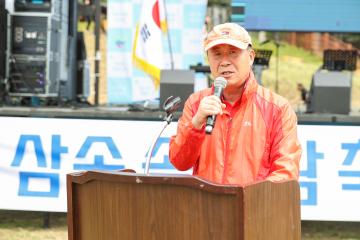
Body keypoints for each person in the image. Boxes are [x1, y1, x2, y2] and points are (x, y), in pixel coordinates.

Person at [169, 23, 301, 185]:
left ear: (251, 57)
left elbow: (286, 172)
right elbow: (179, 162)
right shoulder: (196, 104)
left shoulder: (276, 108)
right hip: (205, 207)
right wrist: (196, 124)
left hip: (252, 207)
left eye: (233, 53)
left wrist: (250, 199)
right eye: (217, 54)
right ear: (208, 60)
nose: (224, 62)